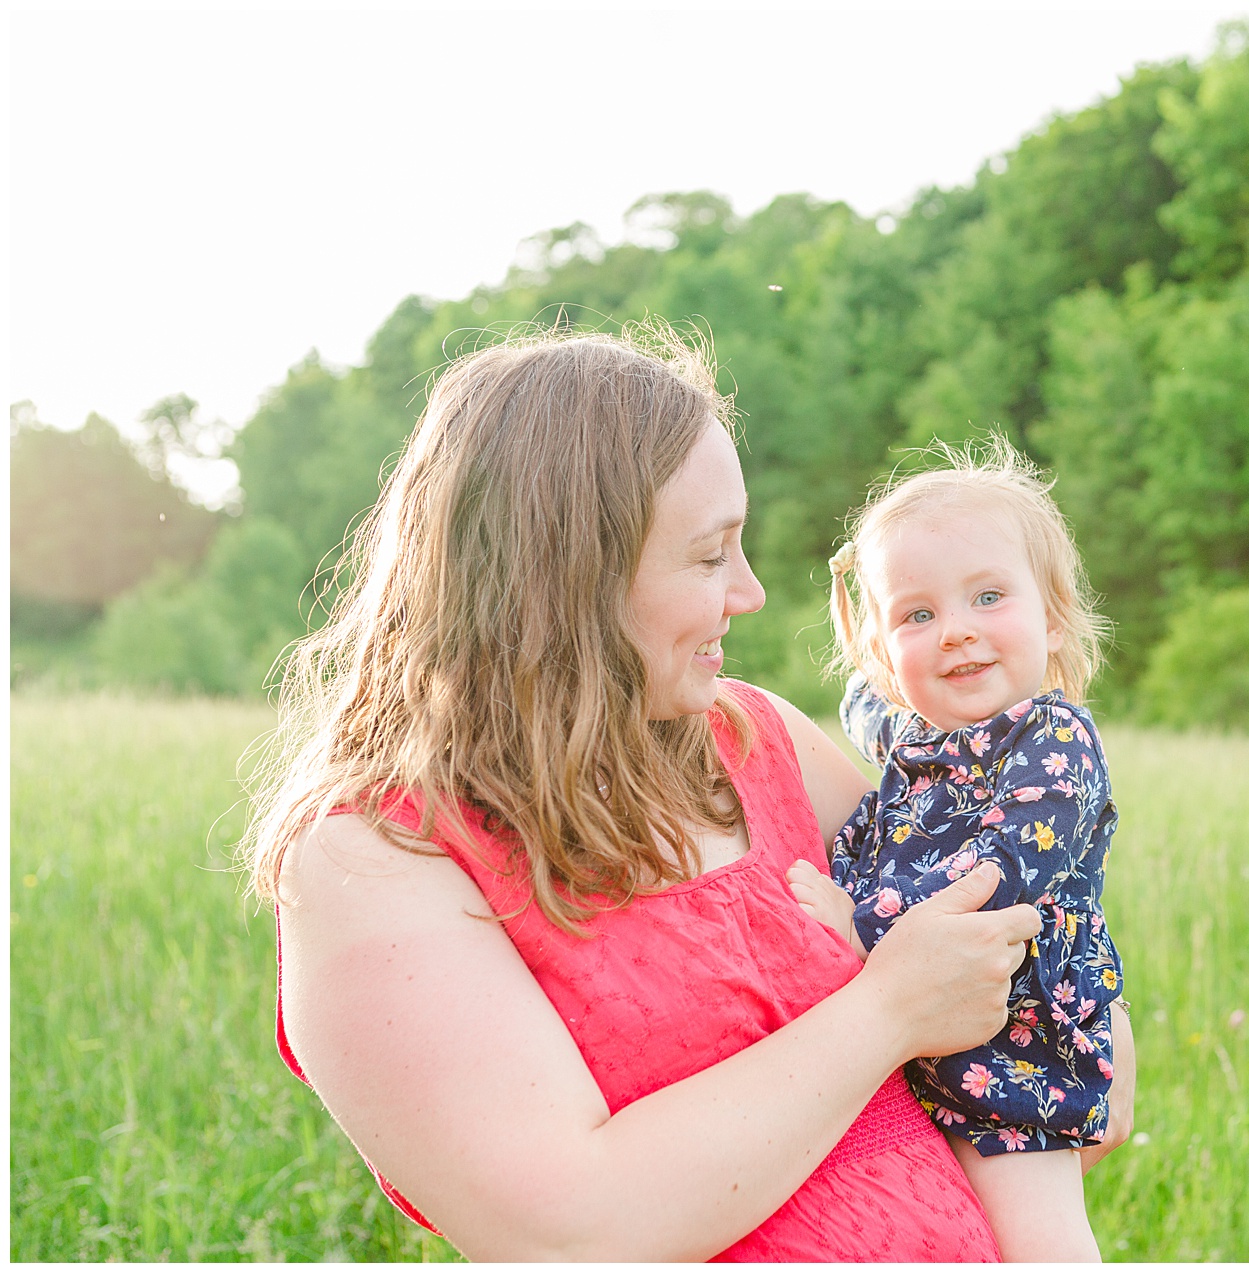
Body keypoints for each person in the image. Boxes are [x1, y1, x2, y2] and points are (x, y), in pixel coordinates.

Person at [240, 328, 1134, 1261]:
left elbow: (997, 937)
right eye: (711, 557)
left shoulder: (755, 738)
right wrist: (888, 1012)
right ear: (568, 579)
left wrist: (1087, 1025)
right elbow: (569, 1232)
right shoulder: (376, 863)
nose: (748, 593)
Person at [787, 440, 1123, 1262]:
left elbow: (996, 878)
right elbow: (867, 700)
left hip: (1019, 1052)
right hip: (935, 1043)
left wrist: (854, 918)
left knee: (1035, 1240)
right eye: (920, 614)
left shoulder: (1055, 740)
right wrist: (856, 596)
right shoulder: (921, 733)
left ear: (1052, 615)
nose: (957, 633)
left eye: (987, 597)